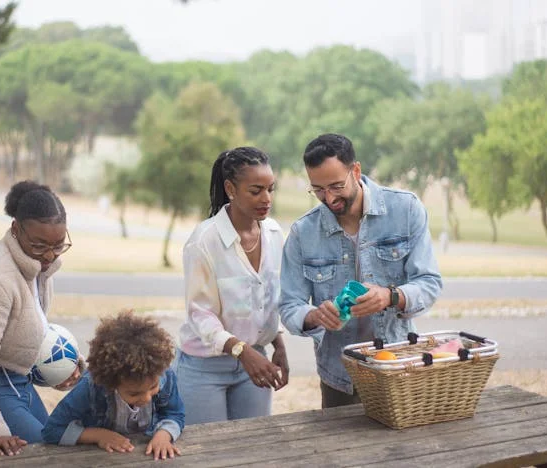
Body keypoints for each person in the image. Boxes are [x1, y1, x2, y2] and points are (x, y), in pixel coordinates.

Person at [279, 133, 442, 408]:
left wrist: (390, 296)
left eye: (336, 186)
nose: (329, 198)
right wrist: (314, 316)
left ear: (355, 170)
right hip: (339, 376)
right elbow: (289, 305)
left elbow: (429, 283)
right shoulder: (302, 233)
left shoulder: (406, 209)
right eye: (318, 189)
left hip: (398, 365)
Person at [0, 181, 81, 456]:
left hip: (19, 382)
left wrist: (58, 369)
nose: (49, 255)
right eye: (39, 244)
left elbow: (23, 334)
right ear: (15, 229)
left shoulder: (37, 269)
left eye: (58, 245)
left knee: (58, 449)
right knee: (44, 456)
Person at [174, 146, 290, 425]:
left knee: (253, 446)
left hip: (255, 361)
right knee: (210, 454)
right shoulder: (204, 241)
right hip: (204, 368)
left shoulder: (274, 234)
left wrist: (279, 345)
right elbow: (200, 315)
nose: (266, 199)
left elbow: (267, 299)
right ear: (230, 188)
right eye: (256, 190)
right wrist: (242, 351)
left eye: (270, 189)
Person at [42, 312, 185, 460]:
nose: (147, 398)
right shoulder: (90, 388)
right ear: (111, 385)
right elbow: (52, 430)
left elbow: (175, 413)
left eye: (153, 387)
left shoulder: (164, 375)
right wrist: (98, 435)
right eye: (134, 394)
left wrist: (164, 435)